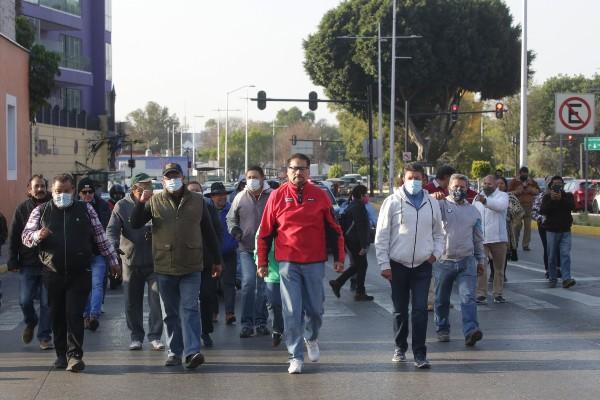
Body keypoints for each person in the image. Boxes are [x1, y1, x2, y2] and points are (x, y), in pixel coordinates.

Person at [22, 173, 121, 372]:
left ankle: (75, 355)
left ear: (73, 191)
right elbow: (25, 236)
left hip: (79, 271)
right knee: (57, 315)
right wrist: (37, 235)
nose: (62, 195)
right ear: (53, 191)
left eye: (66, 191)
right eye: (58, 191)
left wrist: (113, 260)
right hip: (52, 272)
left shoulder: (86, 209)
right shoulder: (41, 211)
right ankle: (61, 355)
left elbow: (100, 237)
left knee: (74, 314)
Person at [257, 153, 345, 374]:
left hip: (315, 261)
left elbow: (334, 229)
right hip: (288, 262)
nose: (298, 173)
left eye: (303, 169)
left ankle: (312, 337)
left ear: (309, 172)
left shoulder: (320, 195)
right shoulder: (276, 196)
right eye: (294, 169)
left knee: (315, 309)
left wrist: (339, 258)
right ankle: (295, 355)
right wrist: (262, 262)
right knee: (292, 310)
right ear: (287, 171)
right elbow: (265, 233)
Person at [130, 163, 222, 369]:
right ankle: (174, 352)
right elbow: (135, 223)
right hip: (164, 266)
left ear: (183, 177)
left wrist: (217, 260)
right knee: (170, 313)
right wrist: (139, 202)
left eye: (175, 175)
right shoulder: (154, 201)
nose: (172, 180)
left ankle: (192, 352)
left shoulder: (198, 201)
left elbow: (209, 232)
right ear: (163, 180)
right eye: (168, 177)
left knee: (190, 308)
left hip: (192, 265)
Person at [375, 163, 444, 369]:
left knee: (421, 310)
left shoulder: (432, 203)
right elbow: (382, 236)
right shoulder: (392, 202)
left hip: (423, 266)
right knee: (400, 311)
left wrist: (435, 255)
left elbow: (439, 233)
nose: (414, 181)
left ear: (424, 179)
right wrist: (384, 264)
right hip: (397, 266)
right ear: (402, 179)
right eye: (410, 177)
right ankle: (400, 347)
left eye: (418, 177)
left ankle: (420, 353)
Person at [106, 173, 164, 351]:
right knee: (132, 301)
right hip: (130, 260)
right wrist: (113, 248)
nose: (149, 190)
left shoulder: (156, 202)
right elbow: (111, 230)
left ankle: (155, 336)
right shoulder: (122, 206)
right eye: (145, 187)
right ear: (134, 189)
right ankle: (136, 336)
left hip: (155, 261)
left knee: (156, 300)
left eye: (150, 186)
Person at [434, 174, 485, 346]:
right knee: (442, 299)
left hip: (467, 261)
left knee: (468, 297)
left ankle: (471, 331)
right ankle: (442, 328)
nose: (459, 189)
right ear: (448, 187)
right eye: (456, 186)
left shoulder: (474, 211)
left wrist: (481, 260)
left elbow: (478, 238)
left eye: (463, 187)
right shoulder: (439, 206)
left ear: (467, 188)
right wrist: (432, 197)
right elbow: (424, 209)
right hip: (444, 261)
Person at [7, 176, 53, 350]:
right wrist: (12, 260)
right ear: (29, 190)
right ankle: (31, 321)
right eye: (36, 186)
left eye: (42, 186)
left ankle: (44, 337)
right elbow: (14, 237)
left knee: (47, 303)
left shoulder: (53, 206)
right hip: (28, 263)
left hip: (49, 263)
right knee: (25, 301)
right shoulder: (22, 209)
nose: (40, 189)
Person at [227, 166, 272, 338]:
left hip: (267, 249)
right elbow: (230, 218)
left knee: (262, 287)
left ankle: (261, 322)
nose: (251, 180)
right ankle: (246, 324)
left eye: (255, 177)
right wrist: (235, 230)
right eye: (249, 177)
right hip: (246, 248)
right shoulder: (240, 197)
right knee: (248, 284)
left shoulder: (272, 195)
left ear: (262, 178)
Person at [188, 180, 221, 348]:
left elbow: (216, 233)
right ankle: (189, 334)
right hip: (186, 263)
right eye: (191, 190)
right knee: (188, 301)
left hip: (206, 262)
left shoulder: (208, 207)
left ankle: (205, 331)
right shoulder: (181, 209)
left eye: (197, 190)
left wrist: (217, 260)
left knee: (207, 296)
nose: (194, 193)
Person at [77, 177, 111, 332]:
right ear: (78, 193)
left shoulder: (103, 206)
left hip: (98, 253)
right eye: (84, 192)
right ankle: (85, 314)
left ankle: (93, 316)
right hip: (79, 255)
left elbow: (105, 228)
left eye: (90, 191)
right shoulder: (73, 207)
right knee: (83, 286)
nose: (87, 195)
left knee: (97, 284)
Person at [329, 185, 374, 301]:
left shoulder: (353, 205)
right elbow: (361, 227)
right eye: (366, 194)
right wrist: (364, 246)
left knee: (358, 266)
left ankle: (343, 285)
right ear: (361, 195)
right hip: (355, 241)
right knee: (361, 265)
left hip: (351, 240)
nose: (367, 196)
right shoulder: (358, 207)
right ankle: (356, 290)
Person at [205, 182, 238, 325]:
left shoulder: (233, 210)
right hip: (212, 253)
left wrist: (236, 239)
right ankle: (213, 312)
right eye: (218, 195)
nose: (221, 197)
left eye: (223, 194)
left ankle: (230, 313)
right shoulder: (206, 211)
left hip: (229, 252)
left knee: (228, 284)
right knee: (212, 284)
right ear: (212, 197)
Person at [474, 175, 509, 304]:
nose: (486, 186)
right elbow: (474, 215)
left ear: (495, 185)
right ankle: (481, 294)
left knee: (499, 268)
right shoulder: (478, 197)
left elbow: (500, 206)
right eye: (485, 183)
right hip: (482, 239)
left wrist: (485, 201)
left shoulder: (503, 196)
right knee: (481, 267)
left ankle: (498, 293)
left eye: (489, 184)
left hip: (498, 239)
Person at [540, 176, 576, 289]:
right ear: (551, 186)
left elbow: (572, 206)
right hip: (551, 231)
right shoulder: (546, 197)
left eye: (560, 184)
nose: (557, 186)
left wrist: (561, 199)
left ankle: (566, 279)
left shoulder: (568, 196)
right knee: (551, 257)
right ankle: (552, 278)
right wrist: (552, 199)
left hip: (565, 231)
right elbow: (543, 211)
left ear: (563, 185)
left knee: (565, 255)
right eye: (555, 184)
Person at [495, 177, 524, 281]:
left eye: (502, 183)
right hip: (491, 230)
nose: (499, 185)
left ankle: (502, 273)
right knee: (491, 254)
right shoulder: (488, 197)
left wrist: (513, 222)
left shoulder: (510, 197)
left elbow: (519, 212)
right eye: (497, 183)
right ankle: (493, 273)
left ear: (505, 185)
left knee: (504, 253)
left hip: (506, 229)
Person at [532, 180, 560, 279]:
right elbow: (534, 212)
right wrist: (543, 219)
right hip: (544, 226)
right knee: (547, 247)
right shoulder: (541, 196)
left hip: (557, 226)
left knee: (557, 247)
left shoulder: (560, 196)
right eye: (551, 186)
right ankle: (548, 270)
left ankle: (557, 269)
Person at [508, 166, 540, 251]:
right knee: (517, 226)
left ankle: (526, 245)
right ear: (520, 174)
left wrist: (531, 190)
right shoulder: (515, 181)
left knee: (528, 227)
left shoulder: (531, 182)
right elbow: (509, 193)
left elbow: (538, 191)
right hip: (517, 206)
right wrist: (517, 191)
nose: (525, 176)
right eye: (523, 174)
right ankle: (514, 243)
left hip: (528, 206)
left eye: (526, 174)